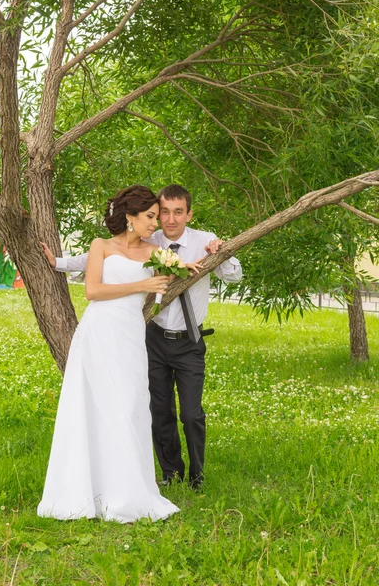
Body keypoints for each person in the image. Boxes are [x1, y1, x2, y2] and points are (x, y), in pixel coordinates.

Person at [41, 184, 242, 489]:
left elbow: (231, 274)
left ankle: (197, 475)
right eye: (161, 213)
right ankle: (170, 472)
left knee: (190, 414)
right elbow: (97, 259)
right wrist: (58, 263)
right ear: (147, 214)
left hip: (188, 340)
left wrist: (220, 254)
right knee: (158, 410)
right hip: (150, 337)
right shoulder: (149, 238)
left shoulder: (201, 241)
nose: (167, 219)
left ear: (189, 213)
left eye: (177, 212)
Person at [37, 185, 179, 522]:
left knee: (130, 406)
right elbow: (92, 290)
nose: (155, 224)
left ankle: (128, 493)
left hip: (129, 336)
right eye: (150, 217)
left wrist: (169, 275)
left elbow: (163, 284)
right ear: (130, 218)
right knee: (96, 406)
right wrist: (142, 286)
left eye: (157, 218)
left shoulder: (155, 253)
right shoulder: (100, 245)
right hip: (98, 334)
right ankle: (87, 491)